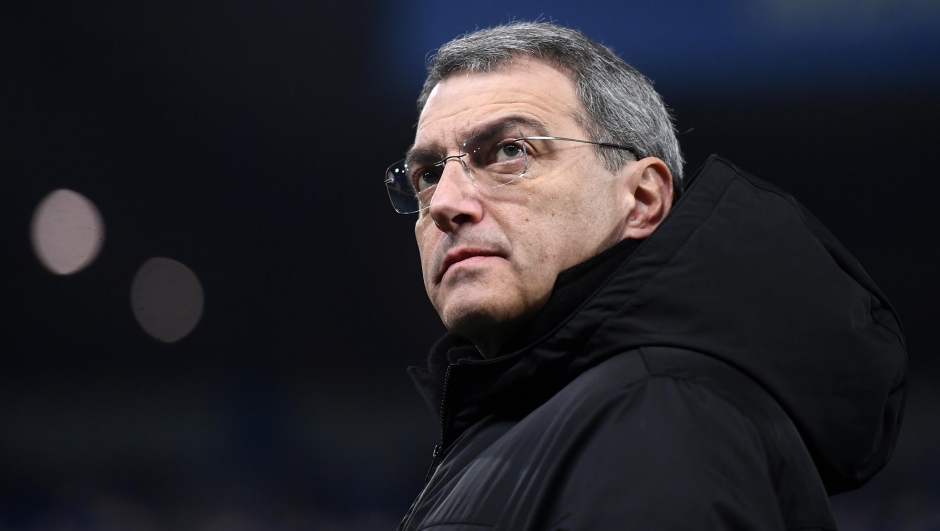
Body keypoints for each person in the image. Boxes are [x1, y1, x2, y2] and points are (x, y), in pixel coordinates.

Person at [384, 21, 907, 531]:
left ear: (641, 199)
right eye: (428, 174)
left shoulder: (662, 410)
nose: (444, 203)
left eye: (509, 151)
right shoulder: (587, 412)